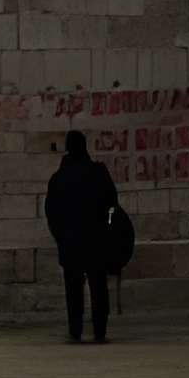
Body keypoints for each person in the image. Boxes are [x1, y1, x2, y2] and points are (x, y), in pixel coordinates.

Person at [44, 128, 119, 343]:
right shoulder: (98, 173)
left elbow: (51, 213)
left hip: (70, 241)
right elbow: (113, 206)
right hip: (96, 239)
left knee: (73, 289)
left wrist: (60, 236)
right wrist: (109, 228)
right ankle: (99, 330)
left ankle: (75, 330)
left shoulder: (58, 178)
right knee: (98, 287)